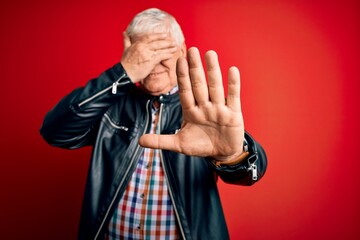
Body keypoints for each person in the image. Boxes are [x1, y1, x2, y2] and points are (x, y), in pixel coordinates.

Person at [40, 8, 267, 240]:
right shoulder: (111, 104)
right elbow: (55, 132)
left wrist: (233, 156)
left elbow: (251, 174)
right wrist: (122, 73)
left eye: (162, 51)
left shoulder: (204, 110)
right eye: (143, 54)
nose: (152, 63)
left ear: (181, 50)